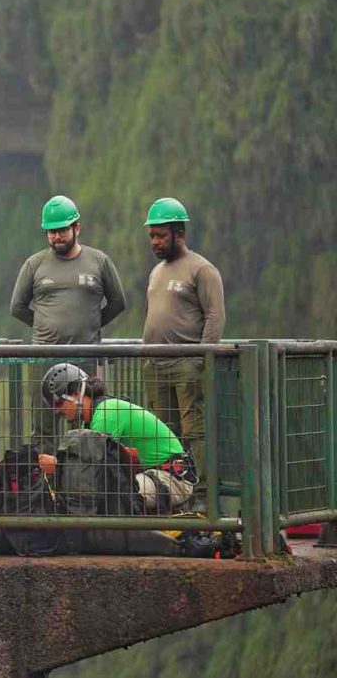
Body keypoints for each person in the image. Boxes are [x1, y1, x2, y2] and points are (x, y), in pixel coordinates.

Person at [10, 195, 126, 450]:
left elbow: (118, 302)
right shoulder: (34, 264)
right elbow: (17, 307)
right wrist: (45, 328)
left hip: (85, 357)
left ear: (77, 228)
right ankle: (45, 475)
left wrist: (91, 325)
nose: (57, 236)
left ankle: (85, 475)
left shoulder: (99, 261)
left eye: (62, 230)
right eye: (51, 232)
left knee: (88, 426)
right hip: (44, 358)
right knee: (43, 428)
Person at [142, 197, 225, 512]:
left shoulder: (201, 269)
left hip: (186, 364)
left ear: (179, 233)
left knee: (194, 432)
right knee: (163, 433)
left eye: (161, 235)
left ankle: (203, 497)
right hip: (156, 365)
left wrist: (201, 357)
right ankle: (170, 496)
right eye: (152, 236)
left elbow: (215, 316)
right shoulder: (156, 272)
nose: (155, 242)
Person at [39, 363, 197, 513]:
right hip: (151, 475)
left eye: (58, 403)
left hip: (171, 479)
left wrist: (57, 465)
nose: (56, 410)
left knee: (108, 493)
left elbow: (92, 470)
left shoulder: (106, 412)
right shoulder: (93, 418)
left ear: (75, 394)